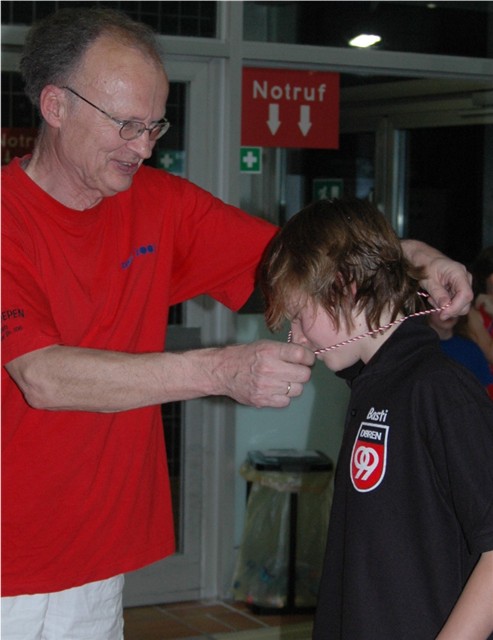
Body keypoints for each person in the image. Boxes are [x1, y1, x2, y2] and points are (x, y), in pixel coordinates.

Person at [1, 7, 473, 639]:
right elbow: (43, 377)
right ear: (56, 105)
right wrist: (220, 371)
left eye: (156, 125)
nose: (144, 147)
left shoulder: (159, 204)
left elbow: (307, 265)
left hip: (94, 560)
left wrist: (415, 256)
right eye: (127, 125)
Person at [259, 198, 493, 640]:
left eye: (300, 317)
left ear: (344, 286)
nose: (297, 338)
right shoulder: (372, 387)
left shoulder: (439, 389)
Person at [427, 312, 493, 396]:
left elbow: (483, 392)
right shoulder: (422, 349)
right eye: (440, 308)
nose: (448, 313)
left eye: (452, 306)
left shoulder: (469, 348)